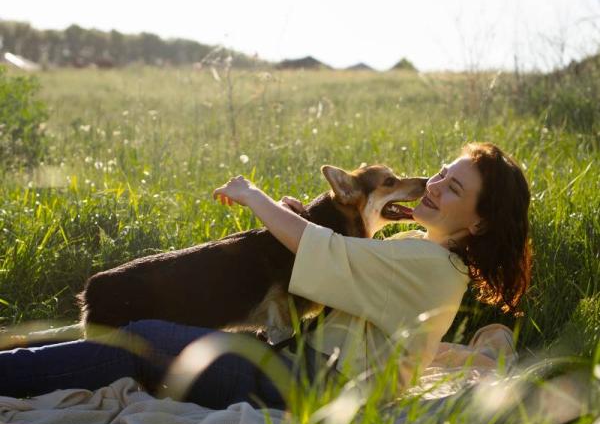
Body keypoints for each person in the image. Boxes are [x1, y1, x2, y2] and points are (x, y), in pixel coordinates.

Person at [0, 142, 531, 410]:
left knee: (138, 341)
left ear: (479, 222)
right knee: (143, 335)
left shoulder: (430, 267)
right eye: (442, 173)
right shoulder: (425, 255)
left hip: (305, 386)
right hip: (298, 364)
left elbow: (320, 250)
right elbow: (337, 259)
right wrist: (300, 221)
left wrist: (253, 197)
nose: (433, 186)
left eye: (454, 189)